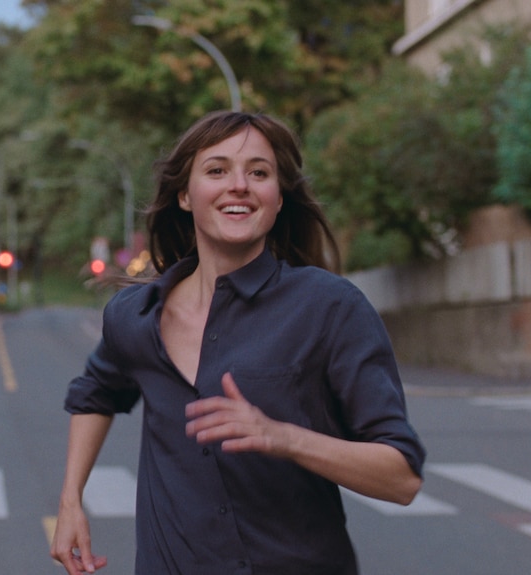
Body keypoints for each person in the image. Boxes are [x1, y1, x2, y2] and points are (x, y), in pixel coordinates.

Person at [50, 110, 426, 575]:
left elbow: (401, 478)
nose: (239, 185)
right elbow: (95, 392)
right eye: (217, 170)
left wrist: (281, 436)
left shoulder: (330, 307)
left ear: (278, 197)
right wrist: (71, 502)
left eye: (259, 173)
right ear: (185, 195)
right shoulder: (135, 316)